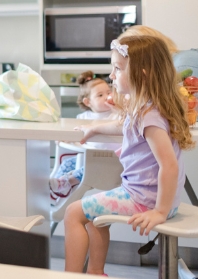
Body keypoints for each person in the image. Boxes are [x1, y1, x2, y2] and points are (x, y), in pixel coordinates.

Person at [64, 35, 194, 275]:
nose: (112, 75)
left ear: (141, 74)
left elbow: (170, 166)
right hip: (148, 196)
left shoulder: (149, 117)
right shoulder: (146, 107)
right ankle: (95, 272)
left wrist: (160, 212)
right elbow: (123, 127)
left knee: (73, 213)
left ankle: (70, 276)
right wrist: (94, 129)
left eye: (117, 68)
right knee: (92, 216)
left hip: (145, 199)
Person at [49, 71, 118, 202]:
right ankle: (57, 186)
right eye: (100, 95)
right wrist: (65, 137)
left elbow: (122, 122)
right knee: (67, 163)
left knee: (86, 169)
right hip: (87, 155)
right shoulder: (83, 118)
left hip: (108, 159)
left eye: (109, 92)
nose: (107, 97)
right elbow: (74, 132)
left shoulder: (115, 115)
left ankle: (68, 181)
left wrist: (118, 108)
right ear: (88, 102)